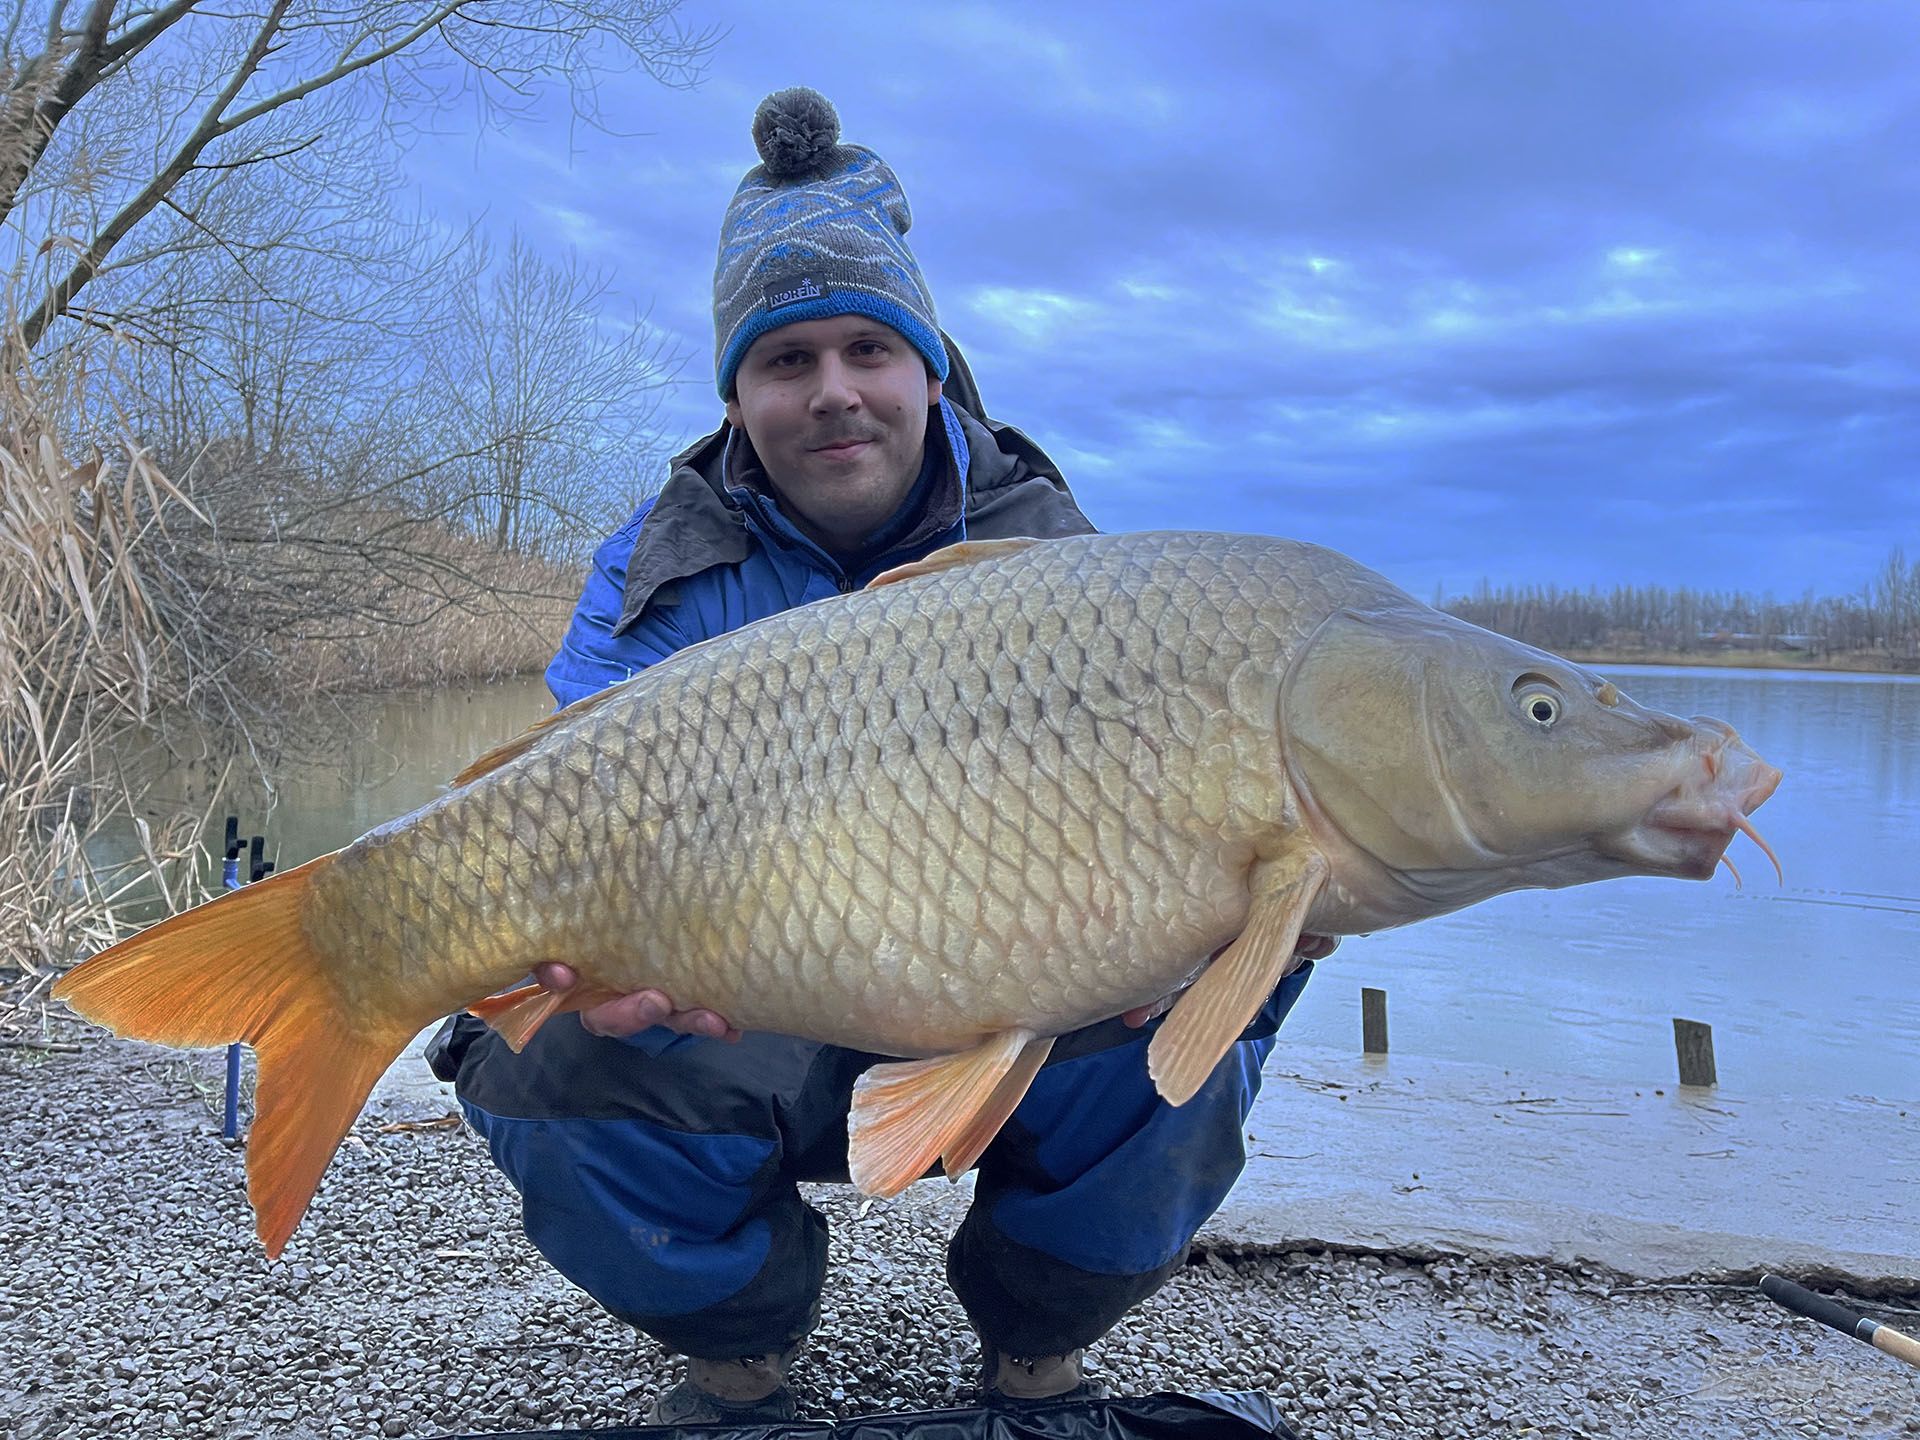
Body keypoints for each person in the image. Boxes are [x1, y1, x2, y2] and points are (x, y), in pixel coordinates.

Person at [427, 87, 1321, 1425]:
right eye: (787, 362)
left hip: (1010, 997)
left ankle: (1040, 1357)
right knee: (532, 1045)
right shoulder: (655, 574)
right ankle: (735, 1360)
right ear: (736, 391)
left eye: (867, 349)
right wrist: (569, 954)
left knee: (1213, 1013)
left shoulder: (1061, 563)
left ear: (928, 365)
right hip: (748, 1009)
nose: (833, 393)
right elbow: (545, 819)